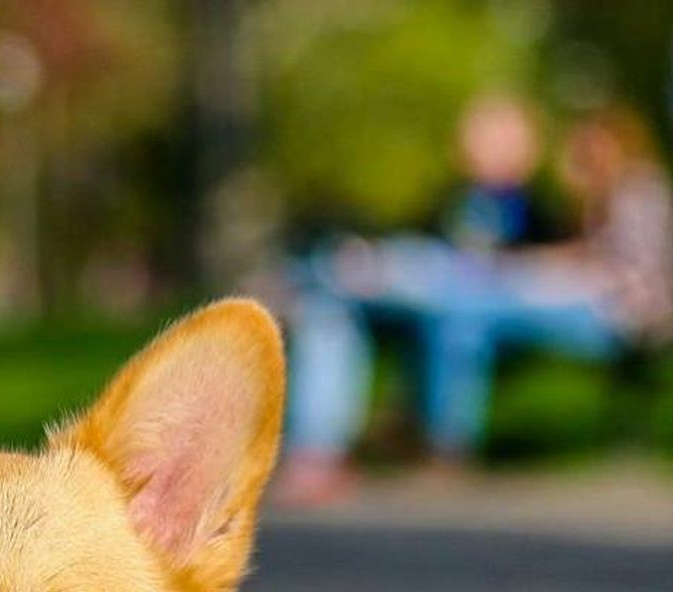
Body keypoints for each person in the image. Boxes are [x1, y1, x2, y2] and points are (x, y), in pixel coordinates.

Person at [279, 97, 673, 499]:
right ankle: (344, 444)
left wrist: (535, 267)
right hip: (489, 293)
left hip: (618, 316)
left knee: (461, 306)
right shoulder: (469, 196)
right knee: (364, 303)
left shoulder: (631, 192)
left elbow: (617, 273)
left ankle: (433, 441)